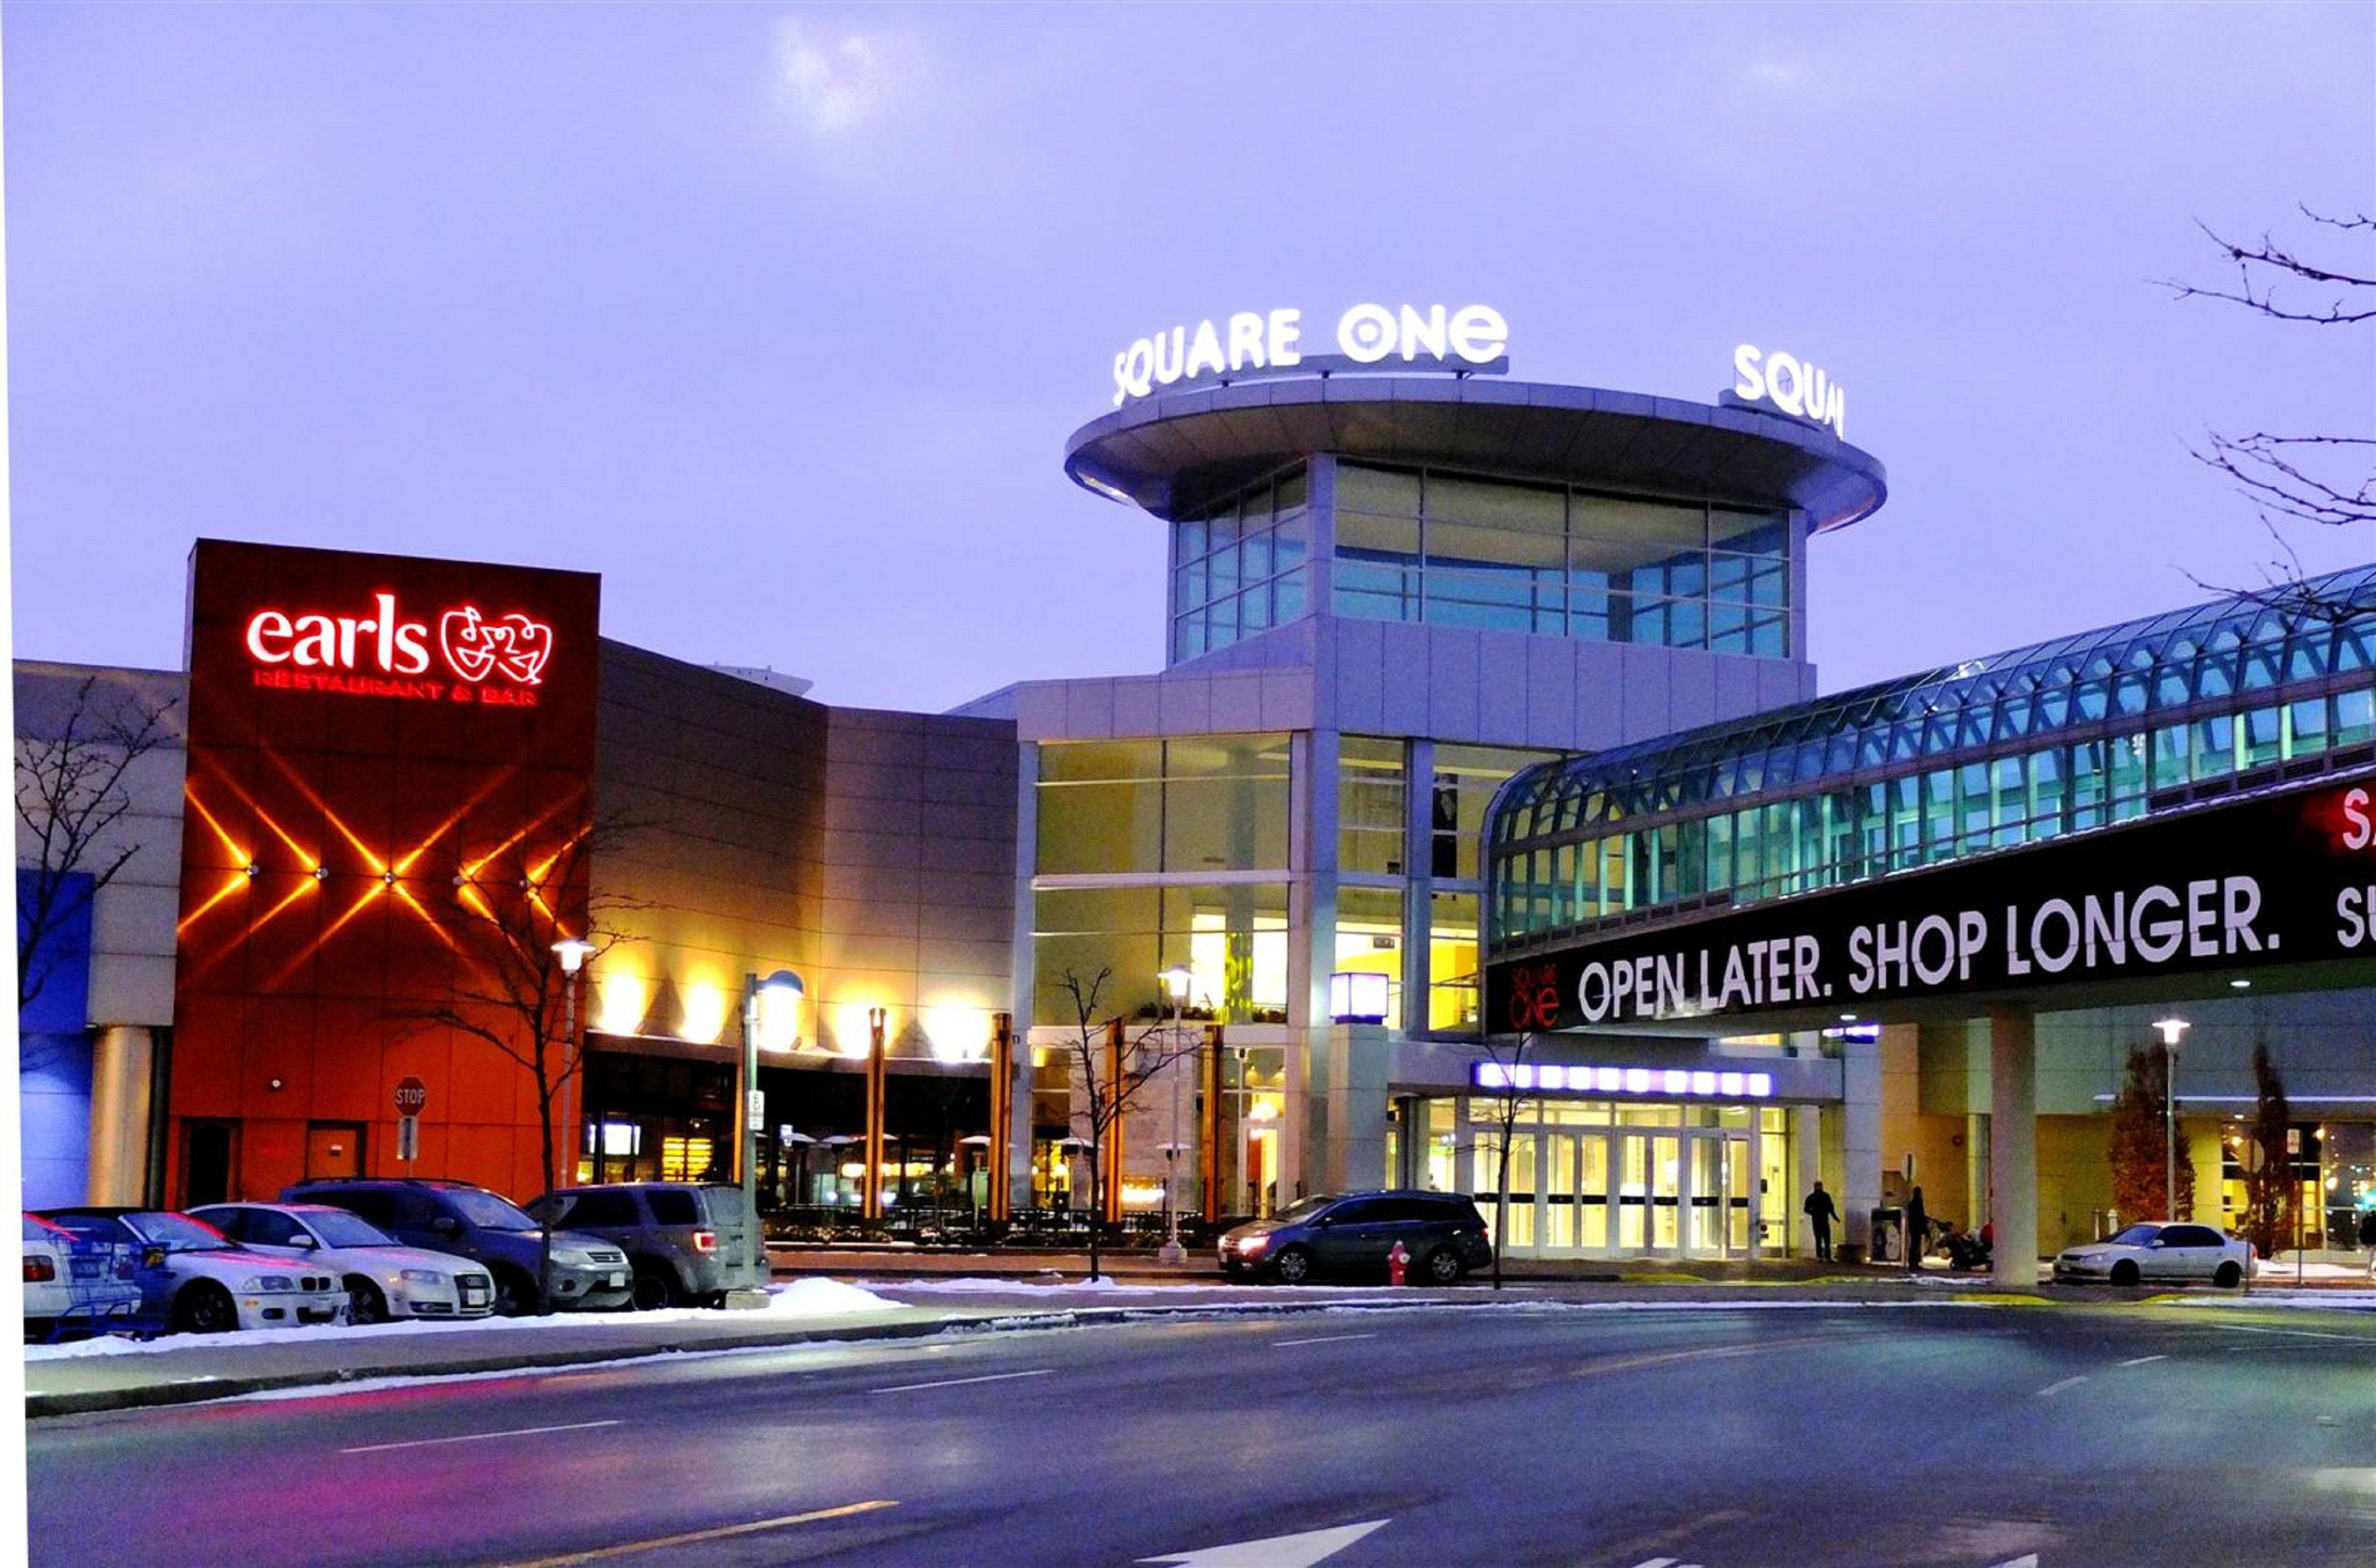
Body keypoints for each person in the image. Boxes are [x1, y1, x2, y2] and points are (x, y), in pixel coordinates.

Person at [1803, 1180, 1840, 1262]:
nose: (1819, 1188)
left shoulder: (1812, 1197)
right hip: (1822, 1220)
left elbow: (1806, 1209)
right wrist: (1835, 1217)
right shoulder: (1825, 1196)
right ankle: (1825, 1256)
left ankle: (1821, 1256)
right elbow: (1831, 1208)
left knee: (1821, 1239)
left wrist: (1813, 1212)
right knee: (1825, 1239)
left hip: (1817, 1220)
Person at [1904, 1185, 1929, 1272]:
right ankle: (1915, 1263)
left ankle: (1912, 1263)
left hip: (1913, 1227)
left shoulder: (1911, 1204)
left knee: (1914, 1246)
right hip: (1918, 1227)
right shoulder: (1919, 1202)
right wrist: (1925, 1227)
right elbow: (1920, 1216)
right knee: (1916, 1246)